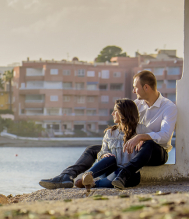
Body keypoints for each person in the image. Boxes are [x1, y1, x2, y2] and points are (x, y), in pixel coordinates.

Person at [39, 70, 177, 190]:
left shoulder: (168, 107)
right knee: (92, 149)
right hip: (132, 147)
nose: (134, 91)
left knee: (149, 145)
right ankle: (66, 176)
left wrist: (141, 137)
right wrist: (108, 149)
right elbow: (125, 125)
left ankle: (123, 174)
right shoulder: (136, 104)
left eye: (135, 87)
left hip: (156, 152)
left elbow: (165, 136)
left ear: (146, 87)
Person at [76, 99, 149, 188]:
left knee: (118, 174)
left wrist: (142, 138)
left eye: (115, 111)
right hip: (110, 170)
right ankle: (87, 176)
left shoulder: (141, 130)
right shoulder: (110, 133)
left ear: (123, 112)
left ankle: (92, 184)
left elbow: (153, 144)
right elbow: (102, 152)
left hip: (129, 174)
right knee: (110, 158)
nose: (112, 114)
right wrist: (104, 155)